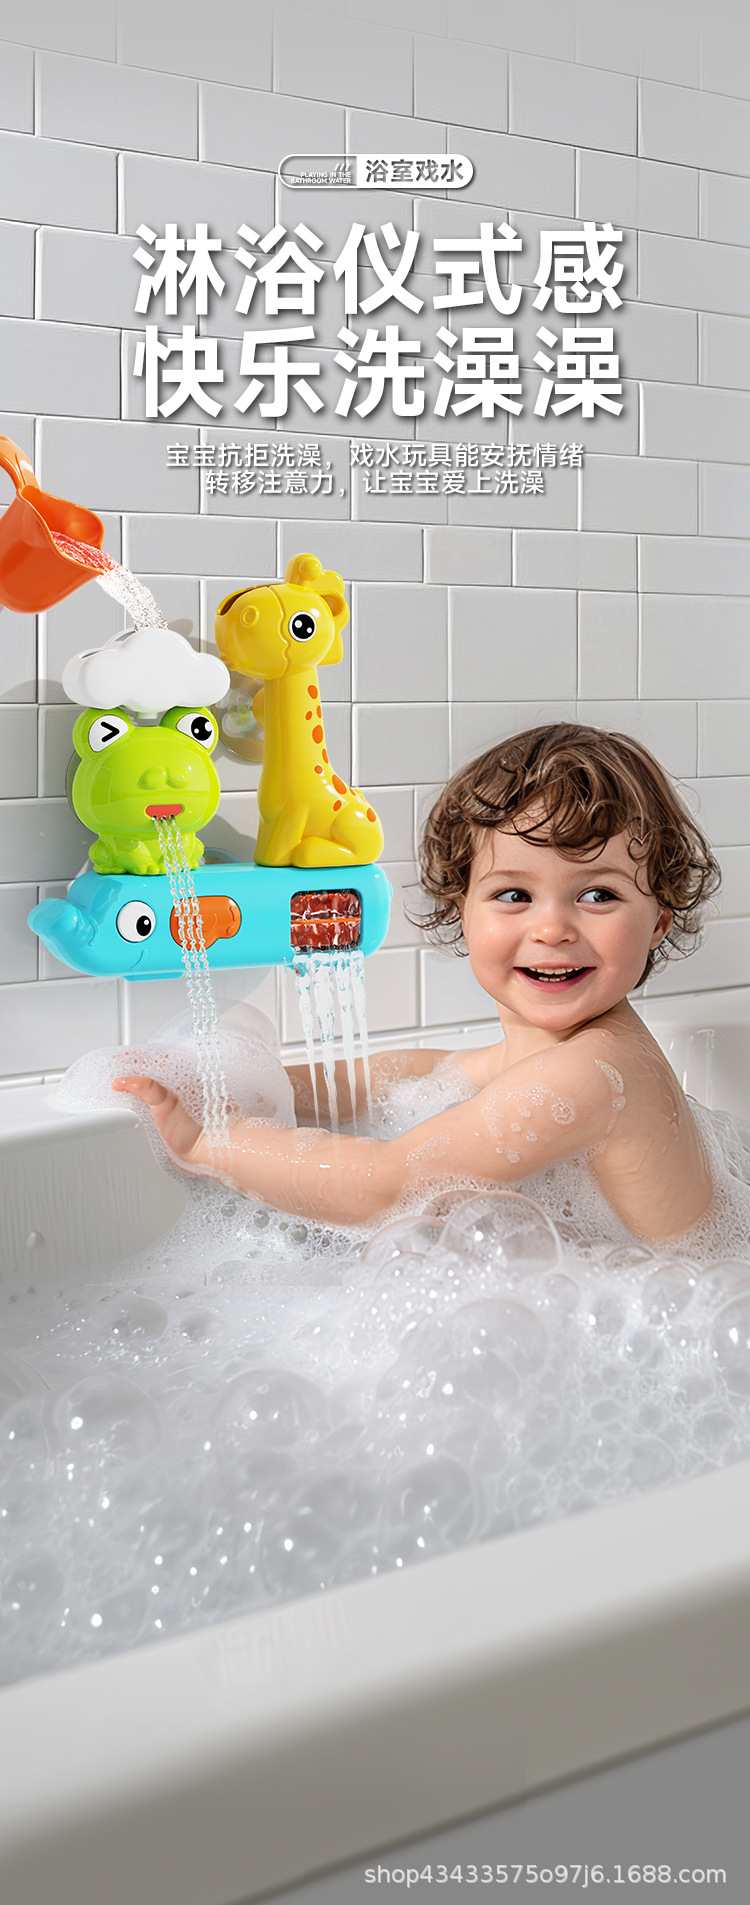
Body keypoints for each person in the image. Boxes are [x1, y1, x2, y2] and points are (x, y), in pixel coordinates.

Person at [113, 724, 725, 1250]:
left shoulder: (592, 1072)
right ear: (463, 909)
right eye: (514, 894)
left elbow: (384, 1189)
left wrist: (212, 1142)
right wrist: (252, 1081)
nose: (552, 928)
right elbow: (425, 1071)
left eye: (598, 894)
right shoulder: (564, 1051)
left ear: (659, 921)